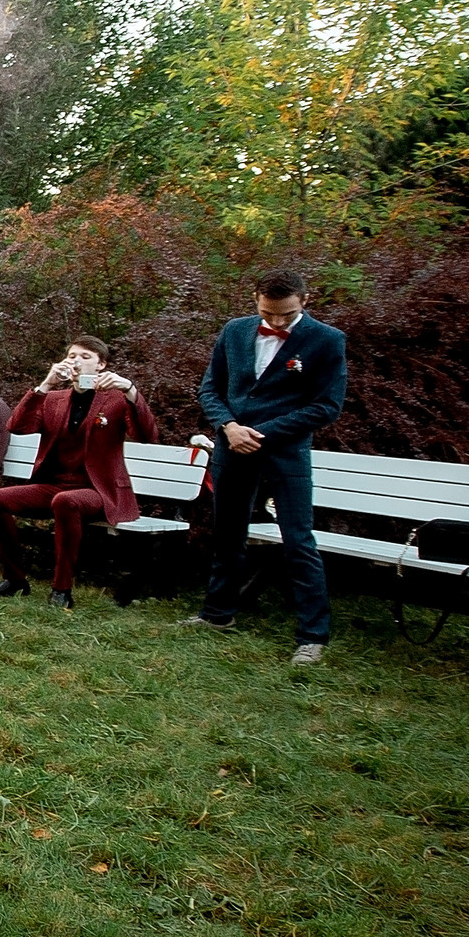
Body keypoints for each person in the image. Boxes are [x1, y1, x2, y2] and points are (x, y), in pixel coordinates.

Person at [183, 271, 349, 665]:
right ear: (255, 299)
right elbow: (210, 388)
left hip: (285, 452)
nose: (276, 322)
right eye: (268, 314)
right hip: (231, 446)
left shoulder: (327, 340)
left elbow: (327, 406)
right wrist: (228, 426)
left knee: (297, 540)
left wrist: (262, 432)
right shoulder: (235, 331)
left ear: (305, 301)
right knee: (228, 534)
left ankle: (312, 634)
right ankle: (217, 614)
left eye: (286, 315)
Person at [0, 336, 159, 609]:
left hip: (100, 492)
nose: (76, 361)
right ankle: (15, 578)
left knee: (66, 501)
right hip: (55, 486)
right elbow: (16, 426)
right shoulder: (54, 398)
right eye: (71, 356)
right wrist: (45, 385)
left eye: (85, 357)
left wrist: (130, 390)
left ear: (102, 365)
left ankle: (62, 589)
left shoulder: (115, 399)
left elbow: (148, 435)